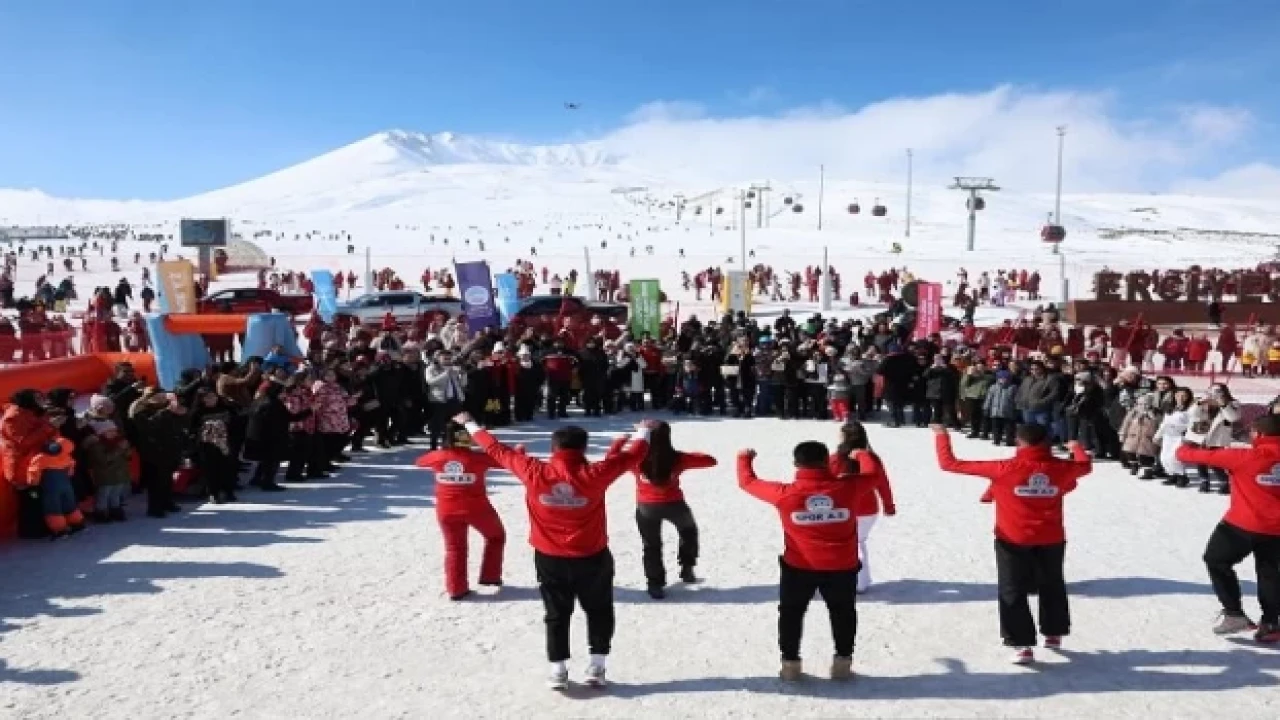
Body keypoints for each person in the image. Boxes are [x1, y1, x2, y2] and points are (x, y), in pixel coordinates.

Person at [458, 411, 653, 689]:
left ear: (554, 447)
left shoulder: (533, 470)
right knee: (599, 609)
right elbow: (633, 455)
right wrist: (643, 431)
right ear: (583, 448)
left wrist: (469, 423)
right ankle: (597, 666)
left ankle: (558, 669)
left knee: (556, 613)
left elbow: (495, 449)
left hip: (549, 557)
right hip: (592, 555)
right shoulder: (596, 473)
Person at [932, 422, 1092, 664]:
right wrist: (1076, 447)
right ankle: (1054, 633)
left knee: (1012, 588)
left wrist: (942, 436)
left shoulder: (1004, 468)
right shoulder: (1061, 468)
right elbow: (1084, 467)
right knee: (1052, 583)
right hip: (1051, 537)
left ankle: (1022, 643)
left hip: (1013, 538)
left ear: (1019, 442)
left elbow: (949, 463)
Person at [738, 441, 861, 682]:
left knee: (791, 614)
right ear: (826, 462)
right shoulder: (849, 487)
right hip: (842, 566)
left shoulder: (785, 494)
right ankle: (843, 665)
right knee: (843, 613)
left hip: (799, 567)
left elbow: (747, 482)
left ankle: (790, 665)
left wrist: (744, 458)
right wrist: (862, 455)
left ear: (796, 464)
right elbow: (874, 476)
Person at [1175, 414, 1280, 643]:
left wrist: (1190, 440)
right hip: (1276, 530)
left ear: (1260, 434)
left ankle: (1234, 613)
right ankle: (1271, 623)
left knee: (1216, 560)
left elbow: (1185, 455)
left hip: (1242, 524)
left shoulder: (1244, 456)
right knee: (1270, 572)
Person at [607, 421, 716, 599]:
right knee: (689, 532)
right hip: (675, 506)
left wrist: (621, 441)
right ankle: (687, 567)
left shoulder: (636, 459)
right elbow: (710, 461)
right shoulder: (678, 458)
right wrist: (689, 455)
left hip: (646, 508)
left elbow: (611, 458)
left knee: (651, 546)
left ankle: (655, 584)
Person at [415, 422, 508, 601]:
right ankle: (490, 576)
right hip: (477, 509)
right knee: (496, 537)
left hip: (446, 511)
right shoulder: (479, 459)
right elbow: (504, 461)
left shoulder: (437, 457)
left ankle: (456, 589)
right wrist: (518, 451)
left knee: (454, 548)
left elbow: (419, 461)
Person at [831, 422, 896, 593]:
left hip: (845, 509)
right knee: (858, 543)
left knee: (846, 545)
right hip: (868, 510)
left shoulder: (837, 459)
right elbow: (883, 483)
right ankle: (860, 580)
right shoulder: (871, 457)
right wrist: (888, 505)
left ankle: (850, 580)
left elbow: (825, 481)